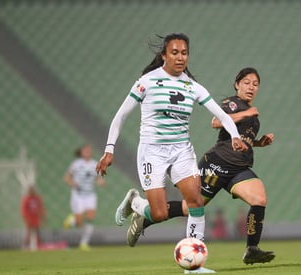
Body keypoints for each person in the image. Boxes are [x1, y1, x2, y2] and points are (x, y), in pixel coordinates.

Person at [95, 33, 246, 274]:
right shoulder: (148, 81)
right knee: (159, 213)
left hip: (182, 151)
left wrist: (235, 136)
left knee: (196, 202)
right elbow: (121, 115)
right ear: (164, 55)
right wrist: (108, 150)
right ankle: (135, 203)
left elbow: (222, 114)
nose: (180, 57)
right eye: (174, 53)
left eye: (184, 53)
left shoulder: (192, 86)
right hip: (152, 153)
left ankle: (194, 267)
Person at [116, 67, 275, 265]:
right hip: (217, 165)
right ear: (237, 85)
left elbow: (240, 139)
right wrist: (245, 114)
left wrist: (259, 143)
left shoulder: (253, 117)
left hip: (238, 168)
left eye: (255, 84)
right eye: (247, 82)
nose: (251, 86)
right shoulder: (233, 103)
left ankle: (252, 249)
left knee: (259, 199)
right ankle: (142, 212)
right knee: (188, 208)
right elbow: (216, 122)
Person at [63, 144, 105, 250]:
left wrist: (101, 182)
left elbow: (98, 178)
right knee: (79, 222)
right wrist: (72, 183)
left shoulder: (95, 164)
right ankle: (72, 220)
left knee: (90, 217)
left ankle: (84, 243)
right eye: (85, 150)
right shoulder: (76, 164)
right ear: (81, 152)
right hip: (78, 195)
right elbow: (67, 177)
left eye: (89, 150)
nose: (87, 152)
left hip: (90, 195)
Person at [20, 184, 46, 250]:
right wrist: (26, 218)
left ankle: (38, 245)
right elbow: (23, 210)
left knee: (37, 232)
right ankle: (25, 245)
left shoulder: (37, 198)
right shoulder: (26, 199)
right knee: (28, 232)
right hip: (29, 218)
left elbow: (41, 207)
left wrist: (43, 215)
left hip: (36, 218)